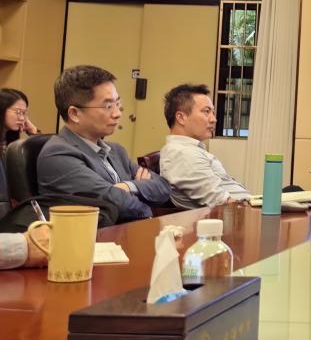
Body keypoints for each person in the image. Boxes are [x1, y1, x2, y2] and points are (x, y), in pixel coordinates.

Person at [37, 65, 171, 222]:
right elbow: (116, 203)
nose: (117, 113)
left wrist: (128, 186)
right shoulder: (57, 155)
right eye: (108, 106)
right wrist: (144, 200)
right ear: (74, 114)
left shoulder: (117, 151)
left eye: (117, 104)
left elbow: (163, 187)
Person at [159, 83, 249, 208]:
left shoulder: (190, 150)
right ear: (181, 118)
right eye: (206, 111)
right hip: (239, 213)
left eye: (213, 112)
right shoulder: (182, 154)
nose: (214, 119)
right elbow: (223, 203)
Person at [1, 88, 39, 154]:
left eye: (24, 113)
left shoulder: (8, 140)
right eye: (18, 112)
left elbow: (43, 155)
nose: (22, 118)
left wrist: (33, 131)